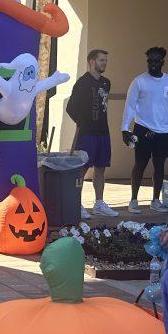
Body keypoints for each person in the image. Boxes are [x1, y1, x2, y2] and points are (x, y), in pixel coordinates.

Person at [122, 46, 168, 214]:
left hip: (163, 131)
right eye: (150, 60)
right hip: (143, 129)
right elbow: (129, 106)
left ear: (162, 62)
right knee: (140, 164)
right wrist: (125, 129)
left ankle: (156, 200)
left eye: (156, 61)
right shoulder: (139, 81)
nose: (152, 64)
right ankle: (134, 200)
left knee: (159, 166)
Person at [66, 49, 118, 217]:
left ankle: (99, 204)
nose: (105, 63)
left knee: (101, 168)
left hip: (103, 132)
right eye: (101, 60)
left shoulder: (106, 83)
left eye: (106, 60)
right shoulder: (82, 83)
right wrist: (83, 123)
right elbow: (71, 108)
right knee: (82, 168)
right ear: (92, 62)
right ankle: (75, 203)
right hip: (86, 133)